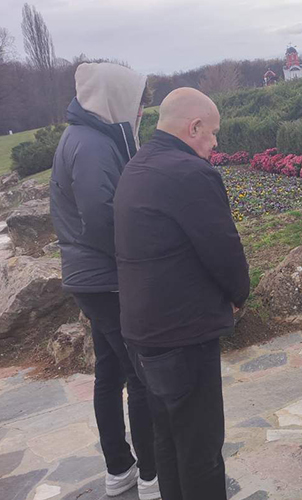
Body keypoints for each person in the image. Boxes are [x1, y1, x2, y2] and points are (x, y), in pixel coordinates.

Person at [114, 87, 250, 500]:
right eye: (212, 132)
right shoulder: (190, 173)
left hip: (143, 332)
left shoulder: (137, 166)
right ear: (194, 128)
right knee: (200, 450)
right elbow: (223, 250)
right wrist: (239, 294)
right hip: (183, 333)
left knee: (168, 439)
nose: (215, 142)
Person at [50, 62, 160, 500]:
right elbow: (102, 220)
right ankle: (152, 473)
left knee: (109, 371)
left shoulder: (81, 136)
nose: (139, 114)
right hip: (107, 277)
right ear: (113, 99)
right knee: (140, 374)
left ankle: (119, 467)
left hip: (90, 277)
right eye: (135, 104)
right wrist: (142, 259)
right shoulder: (93, 144)